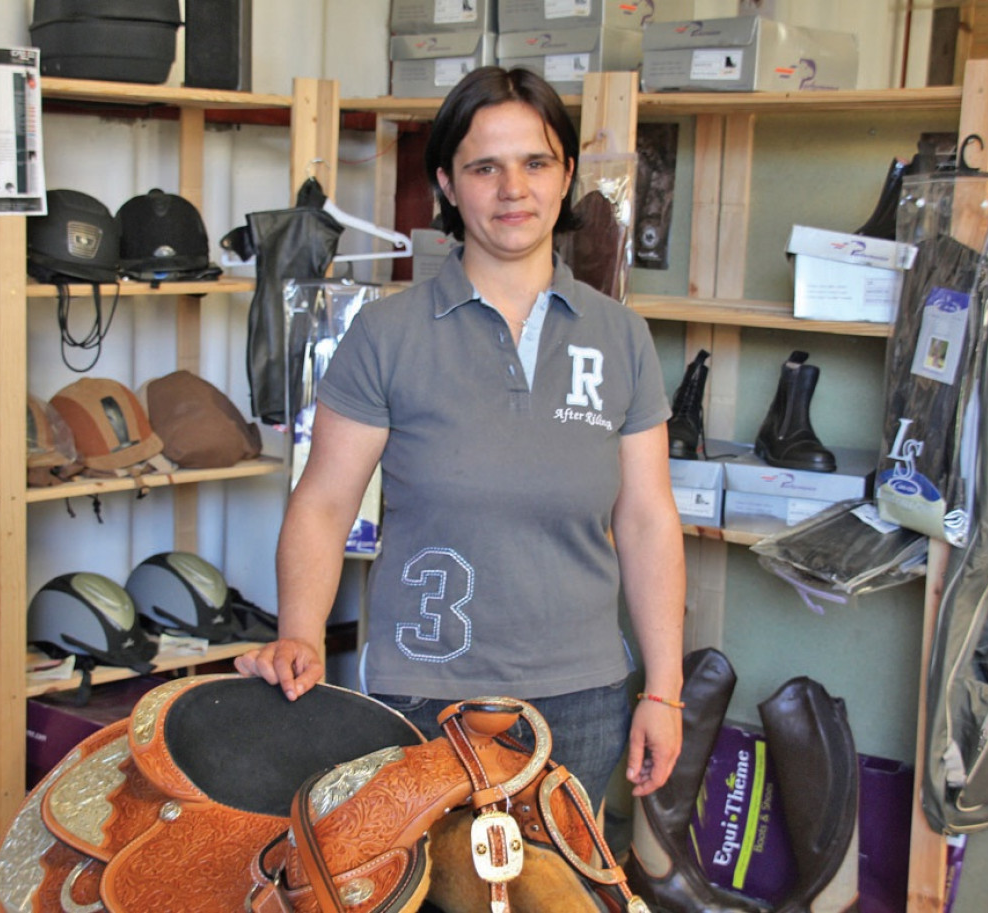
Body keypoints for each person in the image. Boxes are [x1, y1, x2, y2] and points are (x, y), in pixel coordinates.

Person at [235, 65, 686, 811]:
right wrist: (301, 636)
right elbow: (323, 503)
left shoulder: (621, 338)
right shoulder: (385, 335)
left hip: (582, 700)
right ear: (447, 183)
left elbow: (647, 518)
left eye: (536, 162)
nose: (515, 189)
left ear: (566, 173)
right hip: (420, 696)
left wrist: (663, 691)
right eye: (485, 167)